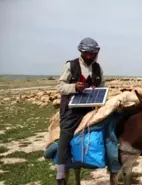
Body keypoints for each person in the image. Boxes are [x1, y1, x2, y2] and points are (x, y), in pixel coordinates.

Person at [56, 37, 105, 185]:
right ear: (81, 52)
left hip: (91, 107)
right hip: (72, 109)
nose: (90, 56)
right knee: (65, 135)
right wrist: (74, 87)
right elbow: (60, 86)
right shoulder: (71, 66)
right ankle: (61, 174)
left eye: (93, 53)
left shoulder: (98, 68)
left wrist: (100, 93)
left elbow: (102, 86)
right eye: (87, 53)